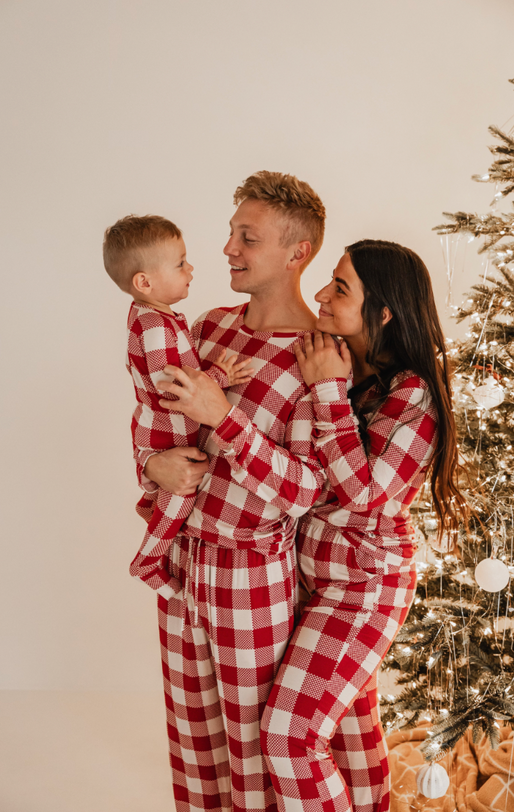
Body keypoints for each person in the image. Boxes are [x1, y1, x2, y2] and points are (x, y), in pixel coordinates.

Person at [136, 172, 328, 812]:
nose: (227, 249)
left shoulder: (318, 355)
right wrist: (152, 464)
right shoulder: (208, 327)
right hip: (185, 562)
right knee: (193, 745)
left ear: (296, 252)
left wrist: (225, 416)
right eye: (229, 233)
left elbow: (305, 489)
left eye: (248, 237)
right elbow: (157, 421)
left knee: (251, 753)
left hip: (253, 576)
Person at [259, 240, 467, 812]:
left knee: (287, 737)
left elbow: (367, 496)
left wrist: (327, 390)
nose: (321, 295)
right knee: (351, 739)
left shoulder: (413, 393)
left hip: (364, 589)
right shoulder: (360, 379)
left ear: (384, 311)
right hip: (319, 581)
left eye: (340, 287)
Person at [103, 214, 253, 597]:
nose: (191, 269)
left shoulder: (160, 317)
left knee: (178, 492)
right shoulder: (152, 324)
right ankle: (148, 560)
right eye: (180, 263)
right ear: (144, 282)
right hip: (166, 432)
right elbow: (171, 391)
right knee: (181, 494)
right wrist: (219, 377)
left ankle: (151, 506)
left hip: (166, 430)